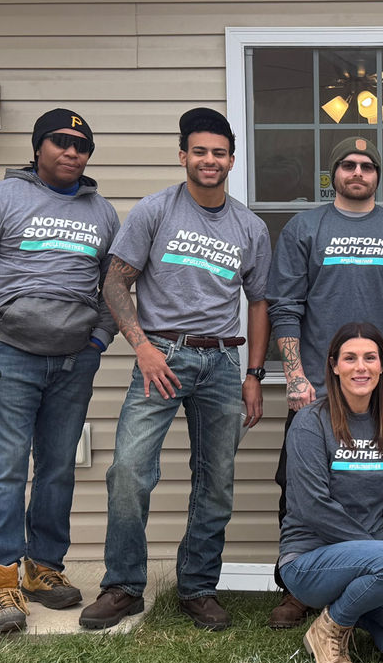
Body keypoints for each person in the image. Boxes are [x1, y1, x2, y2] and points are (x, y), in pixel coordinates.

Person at [79, 107, 271, 632]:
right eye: (200, 151)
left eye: (220, 153)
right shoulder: (155, 211)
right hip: (160, 356)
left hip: (222, 362)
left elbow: (258, 303)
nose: (210, 161)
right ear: (183, 154)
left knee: (217, 481)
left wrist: (253, 374)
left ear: (232, 159)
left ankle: (198, 587)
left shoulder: (249, 227)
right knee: (128, 471)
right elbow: (116, 283)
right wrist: (141, 345)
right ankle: (123, 586)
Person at [0, 108, 119, 633]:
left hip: (73, 361)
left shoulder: (102, 212)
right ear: (38, 147)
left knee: (58, 467)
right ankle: (0, 582)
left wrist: (99, 339)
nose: (71, 152)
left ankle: (43, 567)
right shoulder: (0, 200)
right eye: (61, 142)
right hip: (7, 354)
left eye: (81, 145)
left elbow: (115, 283)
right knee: (3, 469)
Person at [266, 136, 383, 629]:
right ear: (332, 173)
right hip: (316, 387)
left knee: (373, 480)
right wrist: (294, 376)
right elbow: (286, 306)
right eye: (348, 165)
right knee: (298, 487)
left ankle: (372, 575)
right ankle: (296, 588)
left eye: (367, 166)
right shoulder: (305, 228)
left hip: (379, 387)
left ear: (378, 175)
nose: (358, 172)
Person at [279, 321, 383, 663]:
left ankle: (354, 608)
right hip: (310, 560)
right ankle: (328, 629)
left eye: (370, 358)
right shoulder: (309, 423)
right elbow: (312, 506)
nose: (361, 367)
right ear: (334, 365)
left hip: (380, 563)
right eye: (350, 358)